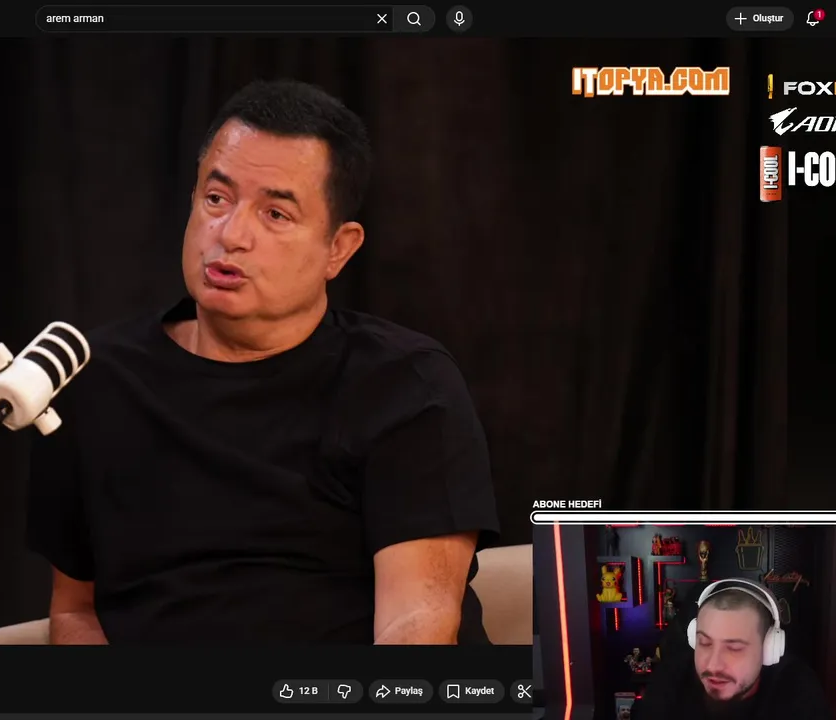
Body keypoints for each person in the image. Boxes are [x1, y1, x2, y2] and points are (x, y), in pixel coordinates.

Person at [26, 79, 500, 645]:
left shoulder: (405, 384)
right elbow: (76, 610)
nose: (231, 234)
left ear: (338, 248)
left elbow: (416, 626)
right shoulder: (93, 379)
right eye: (216, 199)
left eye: (275, 213)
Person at [630, 579, 828, 719]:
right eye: (704, 643)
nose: (713, 665)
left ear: (768, 649)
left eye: (734, 648)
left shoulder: (798, 692)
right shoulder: (670, 681)